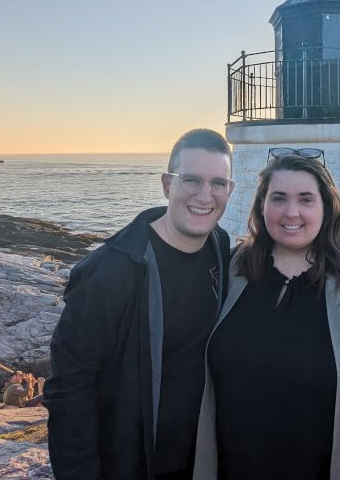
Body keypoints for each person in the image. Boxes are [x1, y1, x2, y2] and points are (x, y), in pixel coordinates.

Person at [194, 150, 340, 480]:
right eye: (278, 198)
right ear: (262, 206)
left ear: (327, 207)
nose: (291, 212)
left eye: (306, 199)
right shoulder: (231, 269)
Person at [44, 129, 234, 480]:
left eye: (218, 183)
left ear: (230, 190)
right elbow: (69, 388)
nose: (205, 196)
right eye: (191, 180)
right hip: (130, 465)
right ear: (166, 184)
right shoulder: (109, 272)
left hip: (202, 463)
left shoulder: (221, 251)